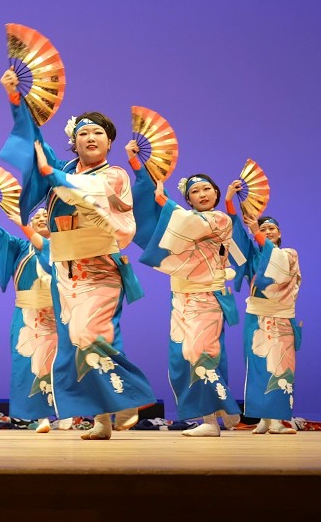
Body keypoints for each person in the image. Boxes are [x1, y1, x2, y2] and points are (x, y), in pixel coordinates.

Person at [0, 76, 157, 441]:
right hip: (65, 270)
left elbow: (88, 195)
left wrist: (51, 174)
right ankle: (102, 419)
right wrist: (15, 99)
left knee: (91, 332)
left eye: (99, 133)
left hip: (99, 266)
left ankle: (129, 397)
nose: (91, 138)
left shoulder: (113, 175)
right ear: (74, 141)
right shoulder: (66, 170)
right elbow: (34, 142)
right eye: (84, 133)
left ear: (110, 142)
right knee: (75, 341)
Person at [126, 143, 242, 438]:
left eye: (206, 189)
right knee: (183, 356)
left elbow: (182, 221)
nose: (202, 194)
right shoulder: (186, 221)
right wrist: (137, 166)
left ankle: (209, 421)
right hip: (182, 296)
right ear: (188, 199)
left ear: (216, 193)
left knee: (197, 352)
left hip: (206, 296)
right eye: (194, 192)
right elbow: (158, 223)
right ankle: (218, 410)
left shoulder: (218, 219)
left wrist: (165, 201)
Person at [0, 191, 58, 433]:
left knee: (61, 364)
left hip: (58, 314)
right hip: (27, 314)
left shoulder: (63, 247)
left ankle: (66, 413)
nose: (42, 217)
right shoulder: (20, 246)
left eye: (47, 214)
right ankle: (41, 417)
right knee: (29, 364)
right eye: (37, 216)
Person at [226, 205, 302, 435]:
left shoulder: (289, 254)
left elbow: (275, 267)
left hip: (281, 316)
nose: (267, 231)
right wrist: (230, 203)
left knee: (280, 368)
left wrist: (255, 230)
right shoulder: (254, 257)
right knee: (257, 366)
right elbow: (237, 242)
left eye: (271, 228)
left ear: (279, 234)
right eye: (263, 228)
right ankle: (263, 420)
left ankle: (277, 420)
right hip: (257, 315)